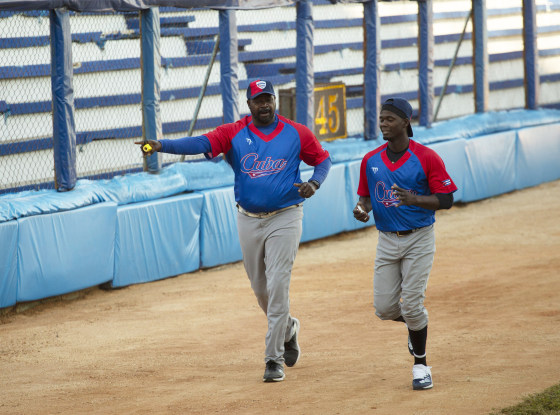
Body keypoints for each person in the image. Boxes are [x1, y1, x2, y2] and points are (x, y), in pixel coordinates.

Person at [137, 79, 332, 383]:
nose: (264, 104)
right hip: (249, 218)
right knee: (261, 289)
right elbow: (201, 143)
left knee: (279, 284)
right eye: (258, 100)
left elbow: (322, 159)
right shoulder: (234, 133)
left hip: (286, 216)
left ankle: (273, 359)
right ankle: (289, 328)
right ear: (249, 103)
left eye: (269, 99)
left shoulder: (296, 132)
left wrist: (315, 183)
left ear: (275, 101)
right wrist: (162, 145)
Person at [353, 97, 457, 390]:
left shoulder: (426, 157)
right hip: (386, 239)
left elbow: (447, 199)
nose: (383, 124)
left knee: (412, 304)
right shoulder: (371, 160)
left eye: (389, 119)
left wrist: (415, 200)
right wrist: (362, 209)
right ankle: (415, 328)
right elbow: (366, 197)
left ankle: (421, 366)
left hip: (419, 237)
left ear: (405, 123)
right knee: (385, 308)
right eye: (381, 119)